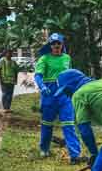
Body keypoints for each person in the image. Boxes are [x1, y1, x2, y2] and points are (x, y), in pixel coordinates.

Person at [34, 33, 83, 162]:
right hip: (49, 95)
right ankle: (44, 148)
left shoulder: (67, 58)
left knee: (68, 124)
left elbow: (70, 74)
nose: (56, 45)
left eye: (58, 43)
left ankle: (75, 154)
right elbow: (38, 76)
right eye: (53, 43)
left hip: (65, 95)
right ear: (50, 45)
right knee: (47, 124)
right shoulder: (44, 59)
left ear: (62, 45)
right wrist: (42, 87)